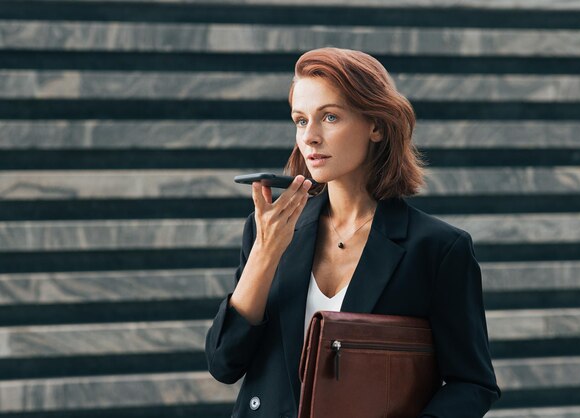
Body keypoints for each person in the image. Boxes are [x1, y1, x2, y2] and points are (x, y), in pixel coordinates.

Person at [205, 47, 500, 418]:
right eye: (300, 120)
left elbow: (472, 384)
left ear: (375, 125)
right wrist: (266, 253)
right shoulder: (269, 230)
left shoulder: (438, 248)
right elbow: (223, 364)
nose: (310, 137)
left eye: (329, 117)